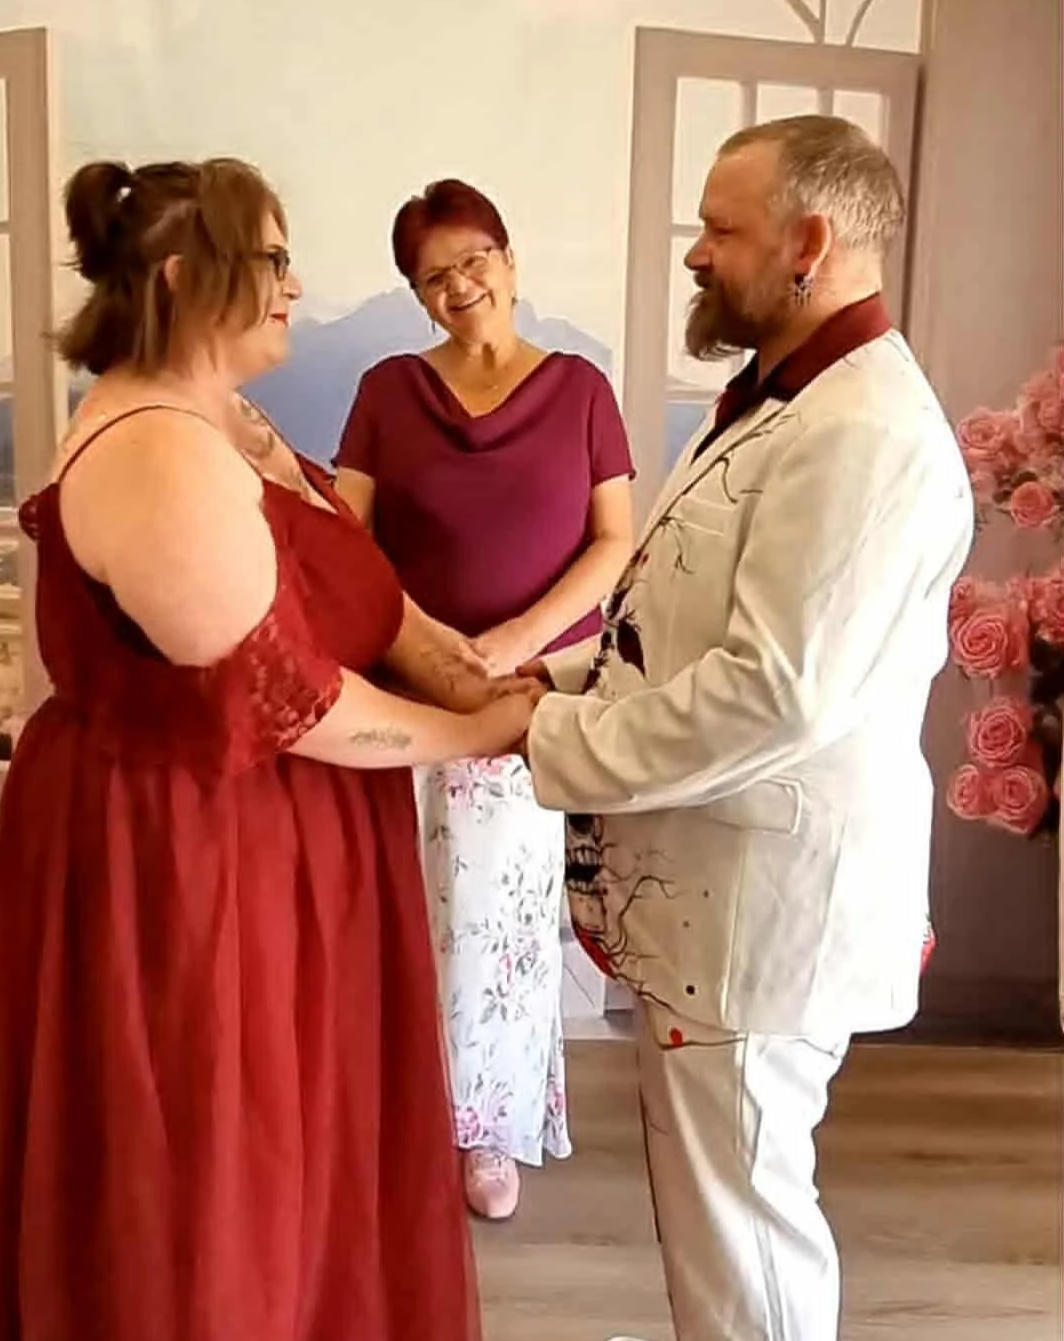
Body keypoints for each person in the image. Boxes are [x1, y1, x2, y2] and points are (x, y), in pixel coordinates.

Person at [0, 157, 542, 1341]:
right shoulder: (159, 455)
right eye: (272, 260)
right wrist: (472, 730)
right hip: (194, 856)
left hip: (277, 838)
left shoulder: (228, 421)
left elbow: (358, 597)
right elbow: (287, 703)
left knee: (291, 1143)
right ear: (185, 278)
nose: (293, 285)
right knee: (212, 1160)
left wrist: (469, 670)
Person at [521, 117, 974, 1340]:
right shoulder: (782, 403)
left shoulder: (863, 435)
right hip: (715, 895)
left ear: (809, 244)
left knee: (748, 1237)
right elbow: (674, 628)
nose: (696, 257)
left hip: (765, 916)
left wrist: (538, 743)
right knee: (719, 1218)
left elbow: (777, 692)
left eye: (721, 231)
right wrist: (551, 686)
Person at [334, 178, 635, 1220]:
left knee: (499, 927)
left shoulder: (583, 391)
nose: (460, 285)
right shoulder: (385, 391)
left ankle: (488, 1132)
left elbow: (614, 543)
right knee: (396, 919)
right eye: (434, 275)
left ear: (509, 261)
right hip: (398, 693)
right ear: (417, 295)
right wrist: (421, 642)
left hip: (522, 697)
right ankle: (396, 1123)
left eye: (474, 260)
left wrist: (510, 642)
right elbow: (346, 540)